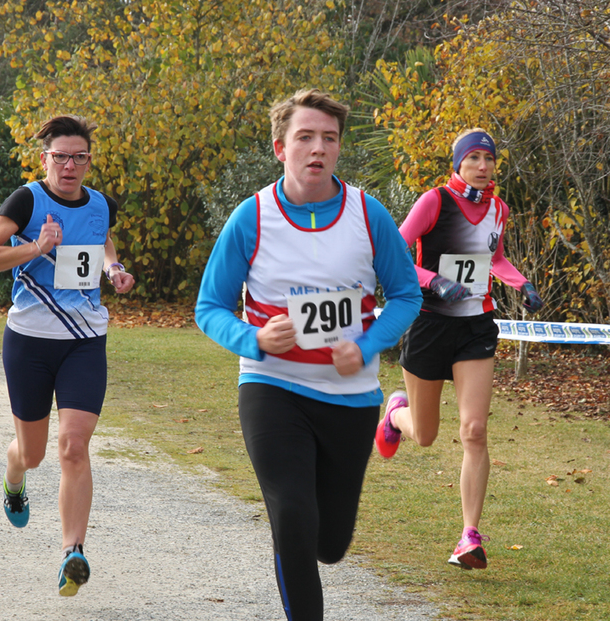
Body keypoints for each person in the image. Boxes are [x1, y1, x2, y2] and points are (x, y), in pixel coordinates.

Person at [194, 89, 422, 621]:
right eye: (305, 137)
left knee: (330, 543)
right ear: (280, 147)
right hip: (272, 387)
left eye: (329, 138)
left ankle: (387, 415)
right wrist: (254, 340)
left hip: (350, 396)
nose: (318, 148)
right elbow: (209, 308)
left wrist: (365, 346)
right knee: (294, 518)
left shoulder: (368, 214)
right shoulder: (252, 217)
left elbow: (406, 295)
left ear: (339, 147)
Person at [0, 115, 135, 598]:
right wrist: (36, 248)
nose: (69, 166)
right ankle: (14, 476)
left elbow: (102, 239)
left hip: (85, 340)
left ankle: (72, 553)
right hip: (30, 342)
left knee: (74, 446)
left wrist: (114, 268)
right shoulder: (26, 201)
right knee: (34, 454)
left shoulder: (100, 203)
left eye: (78, 157)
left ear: (88, 161)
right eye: (60, 157)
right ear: (45, 159)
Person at [374, 128, 544, 571]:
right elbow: (394, 254)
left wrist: (521, 283)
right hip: (430, 325)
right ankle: (396, 415)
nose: (483, 167)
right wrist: (434, 281)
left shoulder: (498, 209)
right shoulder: (434, 201)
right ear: (458, 163)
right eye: (474, 159)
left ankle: (469, 536)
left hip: (475, 327)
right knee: (426, 435)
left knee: (475, 430)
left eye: (489, 159)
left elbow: (496, 258)